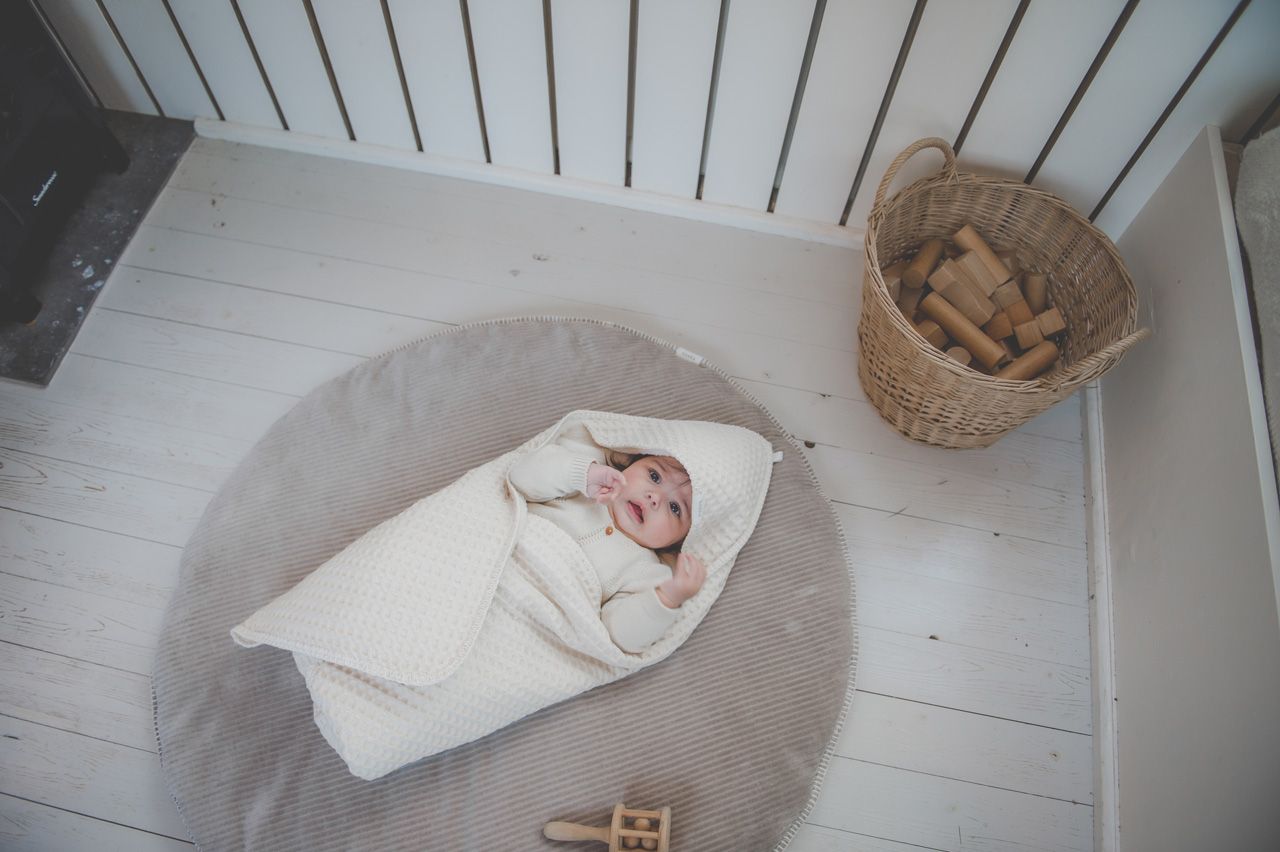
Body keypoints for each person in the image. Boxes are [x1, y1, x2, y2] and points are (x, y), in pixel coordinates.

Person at [507, 424, 706, 653]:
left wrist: (667, 598)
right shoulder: (582, 485)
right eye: (654, 476)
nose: (655, 498)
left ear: (678, 542)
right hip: (502, 552)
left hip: (537, 618)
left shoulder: (647, 573)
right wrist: (582, 473)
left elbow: (620, 635)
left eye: (675, 508)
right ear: (630, 463)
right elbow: (520, 476)